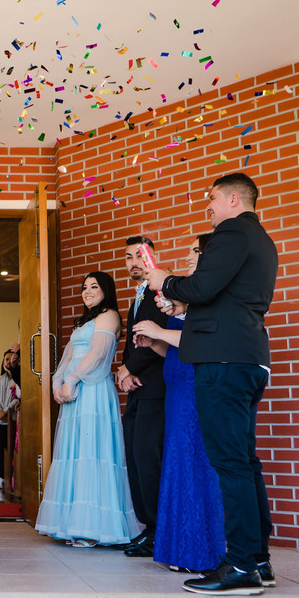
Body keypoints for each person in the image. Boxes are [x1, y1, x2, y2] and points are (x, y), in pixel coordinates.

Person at [146, 172, 278, 595]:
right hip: (247, 356)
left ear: (234, 199)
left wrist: (165, 281)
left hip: (223, 360)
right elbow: (221, 295)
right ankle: (257, 559)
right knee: (244, 461)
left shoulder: (232, 232)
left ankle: (240, 565)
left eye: (213, 198)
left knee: (230, 463)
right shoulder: (261, 239)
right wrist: (181, 300)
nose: (208, 206)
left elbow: (203, 286)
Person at [133, 234, 226, 573]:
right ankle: (178, 548)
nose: (188, 256)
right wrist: (153, 342)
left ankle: (200, 551)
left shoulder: (210, 296)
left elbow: (201, 340)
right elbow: (174, 347)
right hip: (175, 385)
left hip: (194, 385)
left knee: (192, 461)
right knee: (176, 463)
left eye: (195, 251)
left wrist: (159, 331)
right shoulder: (186, 298)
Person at [35, 271, 139, 547]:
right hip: (74, 392)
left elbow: (98, 354)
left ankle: (93, 529)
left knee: (92, 452)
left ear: (106, 290)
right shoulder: (84, 322)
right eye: (84, 287)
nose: (87, 291)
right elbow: (68, 355)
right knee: (74, 452)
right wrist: (57, 382)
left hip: (92, 391)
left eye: (94, 286)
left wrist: (72, 379)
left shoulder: (109, 316)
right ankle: (72, 524)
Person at [117, 237, 171, 559]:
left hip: (157, 387)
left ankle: (159, 529)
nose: (134, 262)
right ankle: (147, 527)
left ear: (153, 257)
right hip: (137, 387)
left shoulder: (161, 292)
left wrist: (128, 368)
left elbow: (159, 333)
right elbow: (132, 341)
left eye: (139, 256)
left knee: (150, 458)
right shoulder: (137, 295)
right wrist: (125, 373)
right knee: (135, 457)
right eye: (128, 257)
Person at [0, 350, 19, 490]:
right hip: (0, 420)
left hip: (12, 419)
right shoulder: (0, 379)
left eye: (10, 359)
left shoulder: (17, 378)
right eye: (6, 359)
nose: (8, 362)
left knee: (14, 449)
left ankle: (14, 477)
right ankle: (0, 477)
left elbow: (17, 398)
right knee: (0, 450)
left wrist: (6, 411)